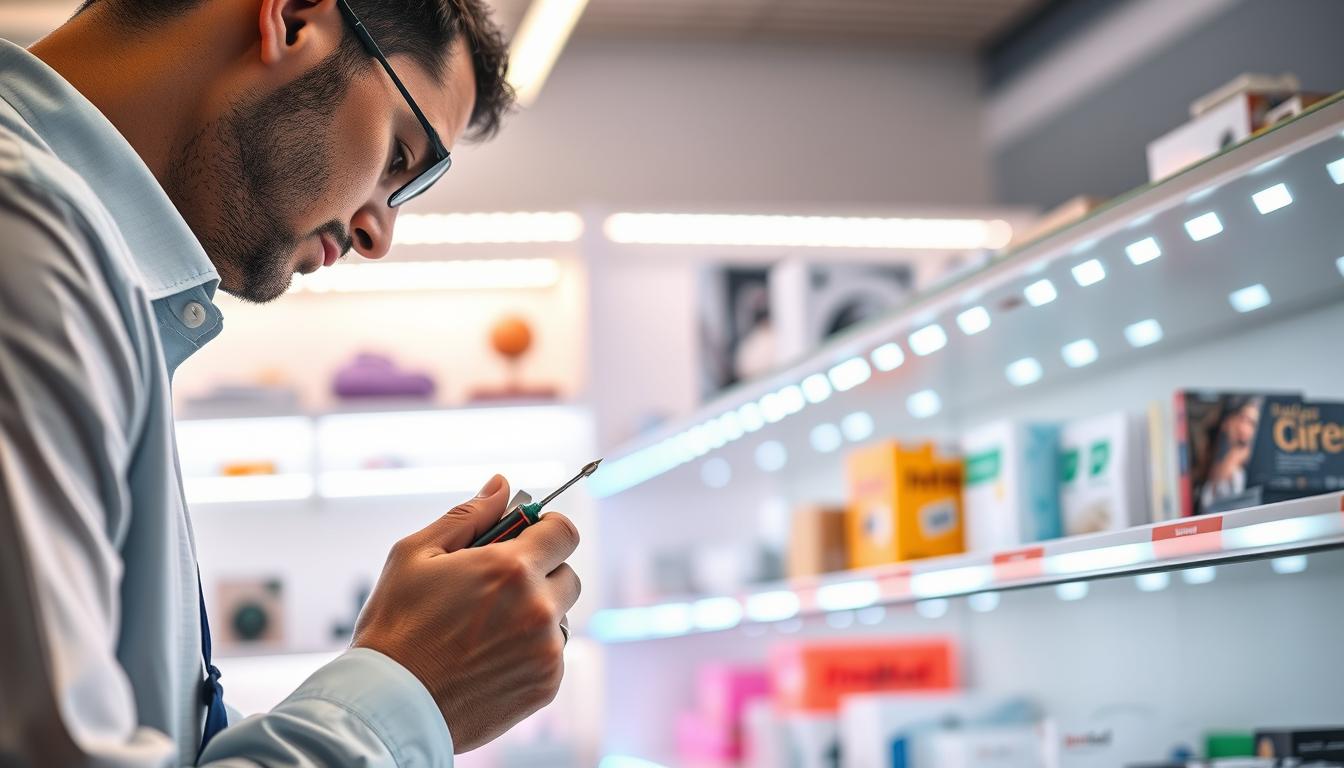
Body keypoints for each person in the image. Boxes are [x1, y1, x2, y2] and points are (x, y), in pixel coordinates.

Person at [0, 0, 582, 764]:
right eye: (402, 157)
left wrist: (393, 669)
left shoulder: (93, 280)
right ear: (294, 19)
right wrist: (410, 691)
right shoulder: (26, 239)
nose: (378, 234)